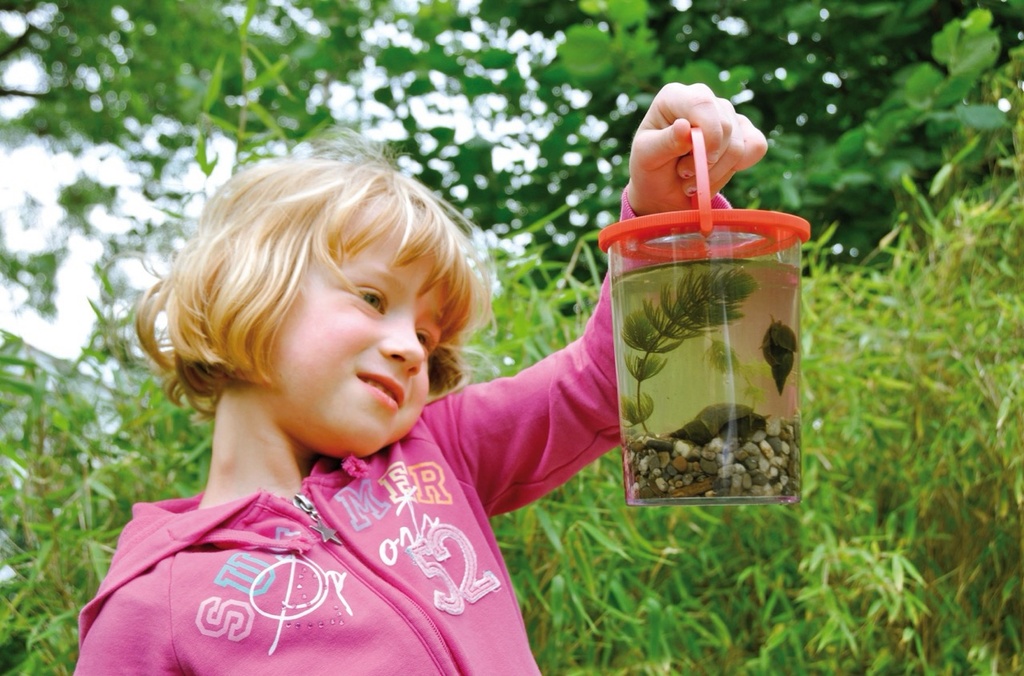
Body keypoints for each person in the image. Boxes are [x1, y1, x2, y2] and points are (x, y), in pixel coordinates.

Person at [75, 83, 766, 674]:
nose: (409, 347)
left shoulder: (439, 452)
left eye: (428, 336)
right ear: (245, 288)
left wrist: (662, 216)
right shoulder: (151, 607)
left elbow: (607, 380)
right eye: (373, 299)